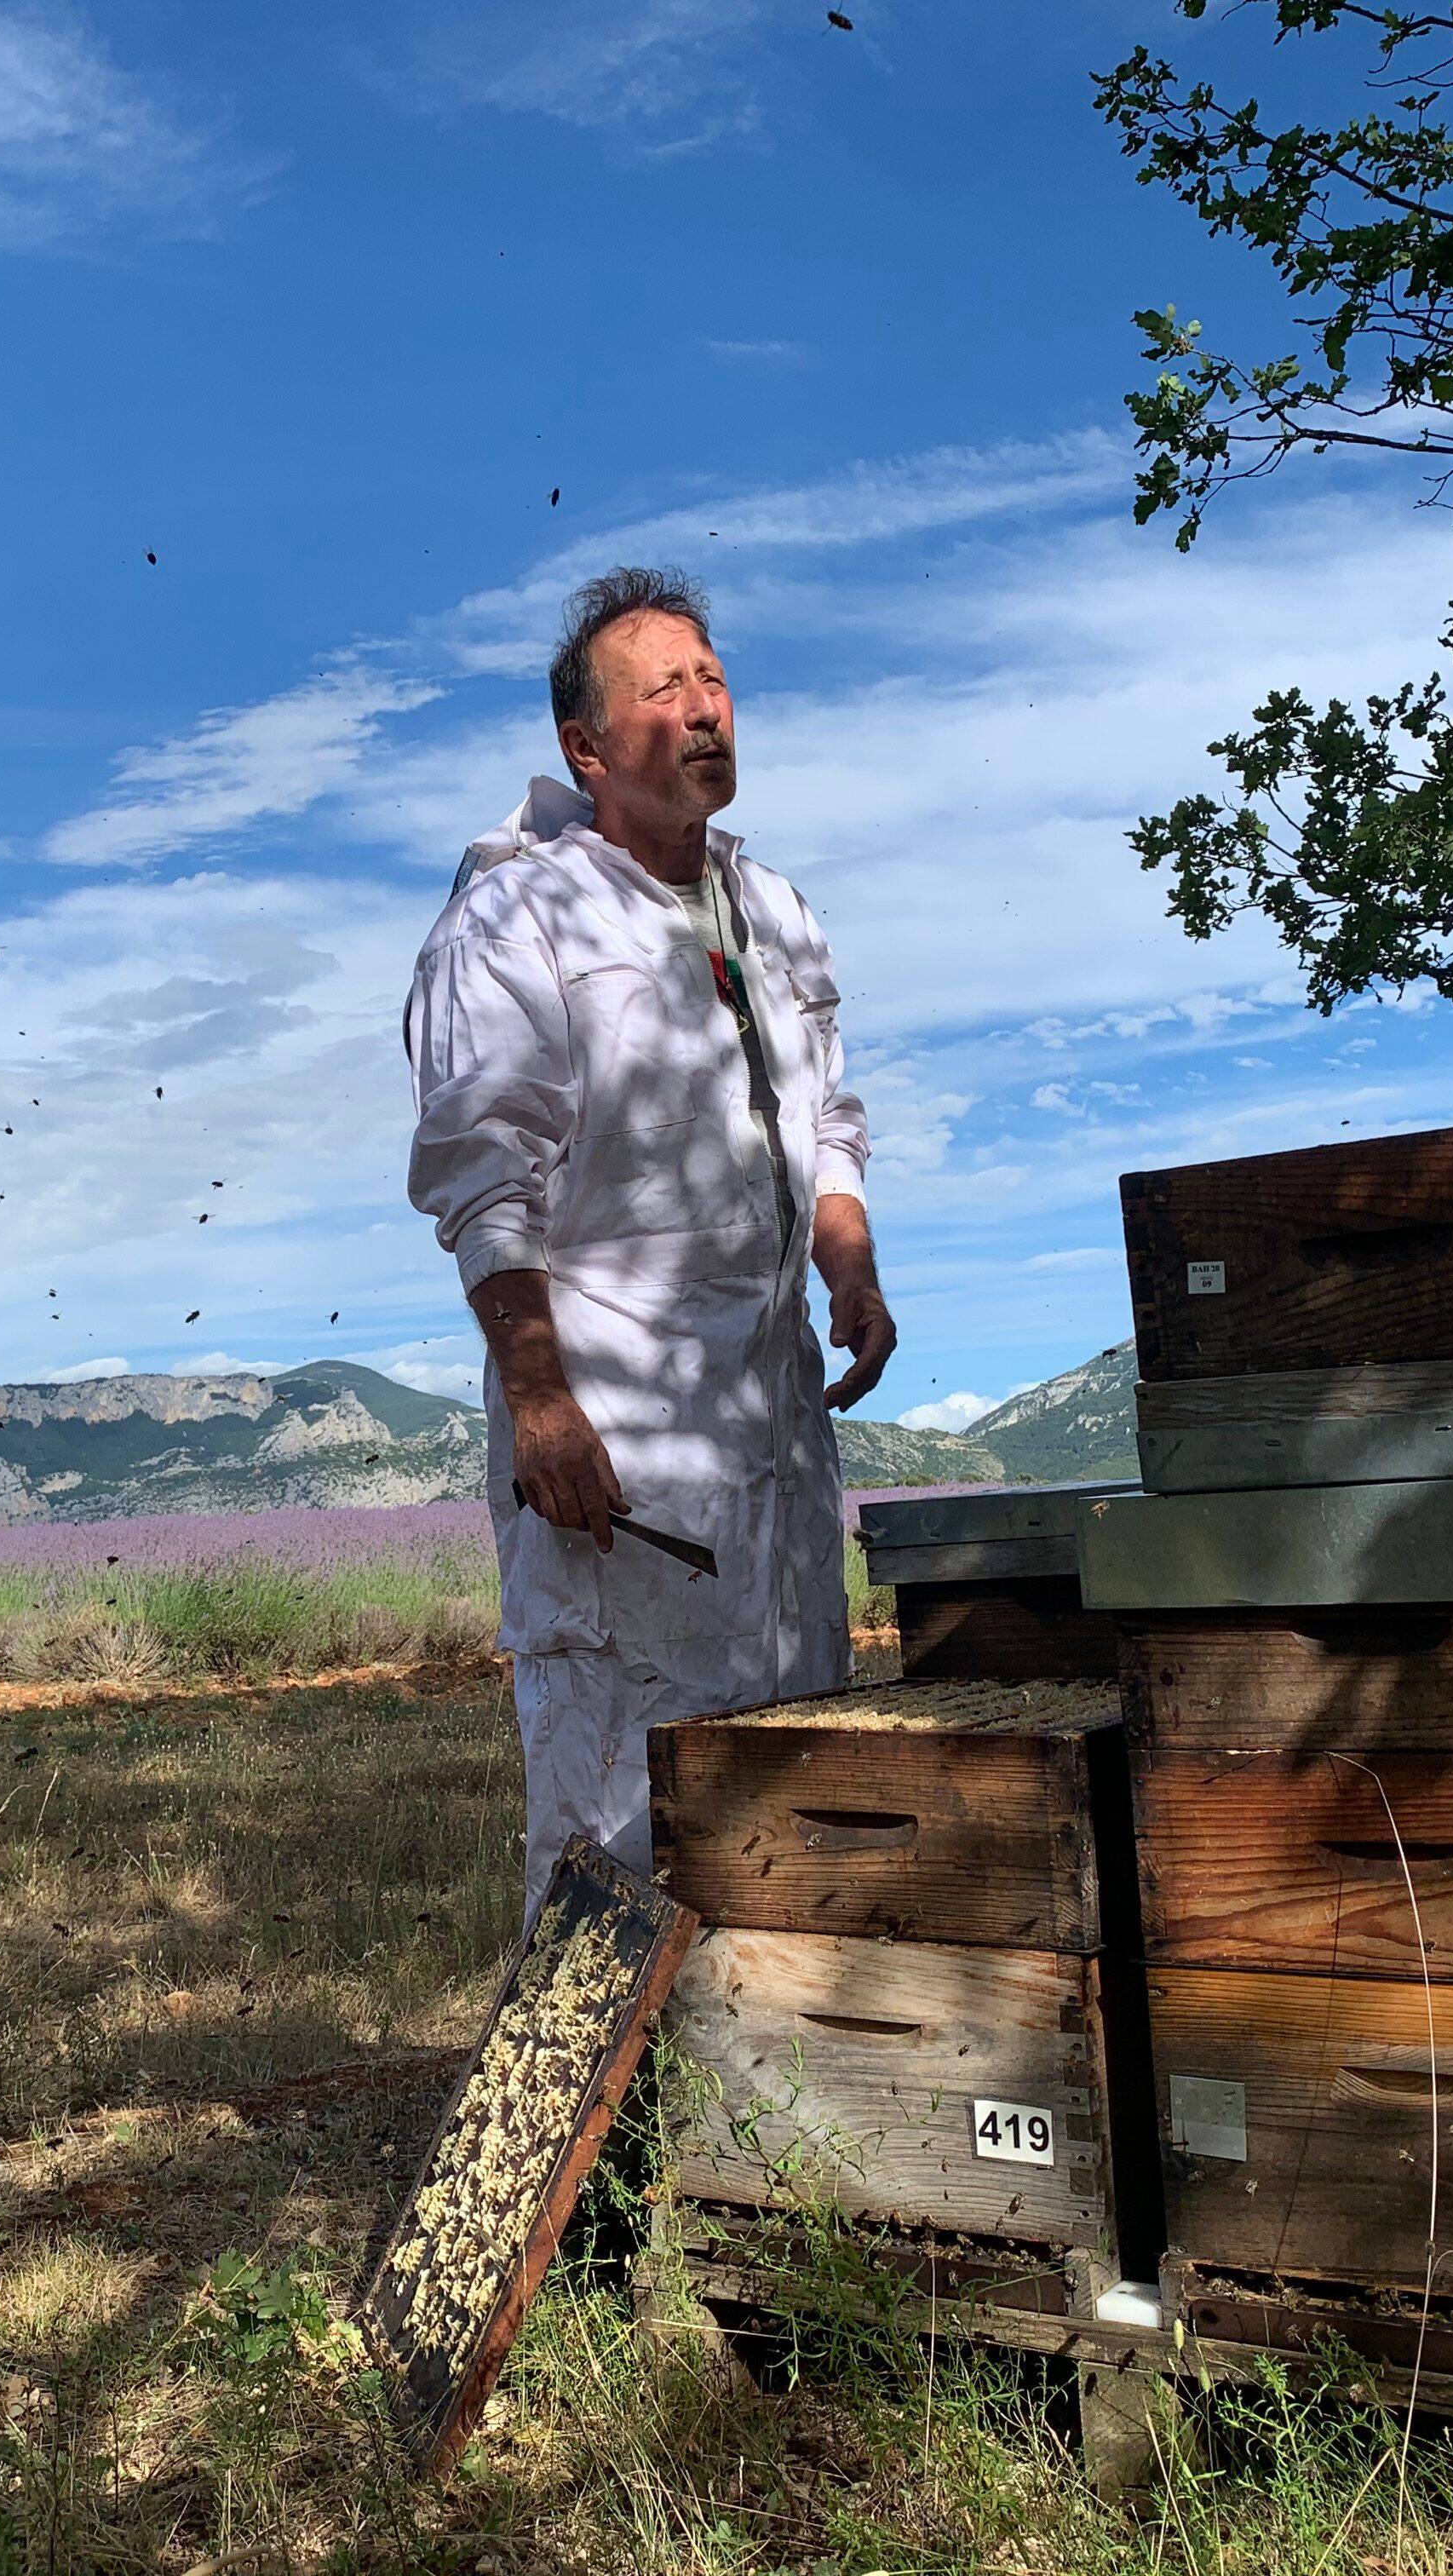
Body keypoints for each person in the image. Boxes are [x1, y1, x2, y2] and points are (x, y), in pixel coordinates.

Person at [404, 566, 898, 1928]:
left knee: (788, 1772)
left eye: (715, 678)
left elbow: (826, 1114)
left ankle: (763, 2108)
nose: (704, 708)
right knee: (617, 1799)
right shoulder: (519, 918)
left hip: (770, 1418)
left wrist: (843, 1251)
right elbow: (481, 1172)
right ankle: (606, 2134)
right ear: (585, 745)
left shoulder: (775, 908)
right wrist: (540, 1399)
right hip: (611, 1443)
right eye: (663, 688)